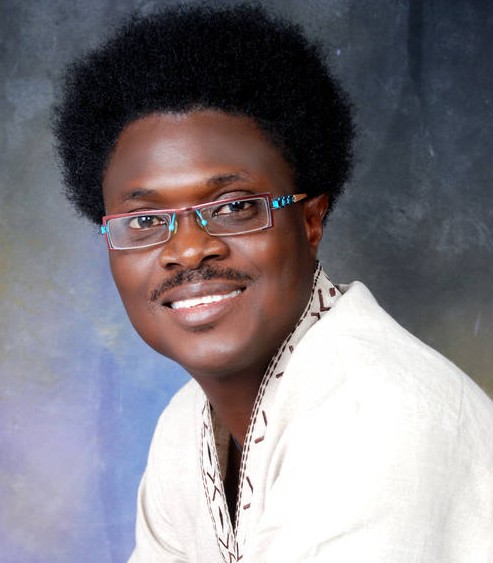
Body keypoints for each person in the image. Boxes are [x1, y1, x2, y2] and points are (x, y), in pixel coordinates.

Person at [53, 3, 493, 562]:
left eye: (234, 207)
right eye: (144, 221)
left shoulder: (378, 412)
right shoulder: (183, 430)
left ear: (310, 221)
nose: (186, 249)